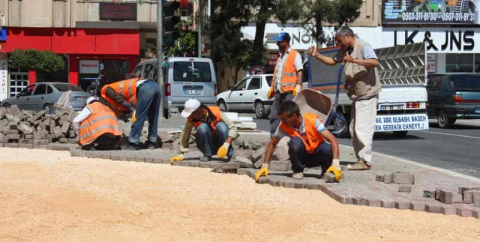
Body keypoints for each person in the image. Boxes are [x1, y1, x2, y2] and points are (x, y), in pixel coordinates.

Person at [307, 26, 381, 170]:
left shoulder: (363, 46)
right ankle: (361, 159)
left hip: (367, 95)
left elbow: (374, 62)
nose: (339, 45)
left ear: (347, 36)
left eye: (340, 41)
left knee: (361, 129)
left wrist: (354, 60)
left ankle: (365, 161)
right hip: (357, 97)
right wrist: (316, 55)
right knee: (353, 130)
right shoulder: (345, 50)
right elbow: (332, 61)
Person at [254, 100, 342, 182]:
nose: (283, 122)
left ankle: (327, 171)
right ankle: (298, 171)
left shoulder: (313, 121)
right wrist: (265, 165)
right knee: (295, 142)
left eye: (285, 119)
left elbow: (333, 140)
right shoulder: (284, 126)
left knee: (326, 148)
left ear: (294, 116)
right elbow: (272, 143)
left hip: (316, 157)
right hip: (301, 158)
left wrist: (336, 164)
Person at [100, 78, 162, 150]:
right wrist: (124, 115)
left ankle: (133, 142)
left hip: (145, 88)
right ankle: (152, 142)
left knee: (138, 116)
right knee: (153, 116)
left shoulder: (105, 90)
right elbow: (122, 103)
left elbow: (120, 100)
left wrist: (132, 109)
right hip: (156, 86)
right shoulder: (114, 93)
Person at [169, 99, 239, 163]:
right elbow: (186, 133)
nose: (190, 116)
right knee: (202, 127)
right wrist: (181, 153)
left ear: (199, 110)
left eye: (192, 113)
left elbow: (233, 128)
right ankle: (207, 154)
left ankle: (230, 154)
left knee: (221, 126)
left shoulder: (216, 112)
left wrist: (226, 144)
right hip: (207, 144)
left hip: (222, 143)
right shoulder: (191, 118)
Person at [268, 32, 304, 136]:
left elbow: (300, 71)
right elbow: (277, 75)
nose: (277, 44)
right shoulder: (280, 58)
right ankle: (273, 140)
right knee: (274, 116)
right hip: (279, 93)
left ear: (285, 42)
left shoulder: (294, 55)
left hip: (289, 93)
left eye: (279, 42)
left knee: (288, 117)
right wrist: (272, 89)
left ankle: (289, 139)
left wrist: (298, 86)